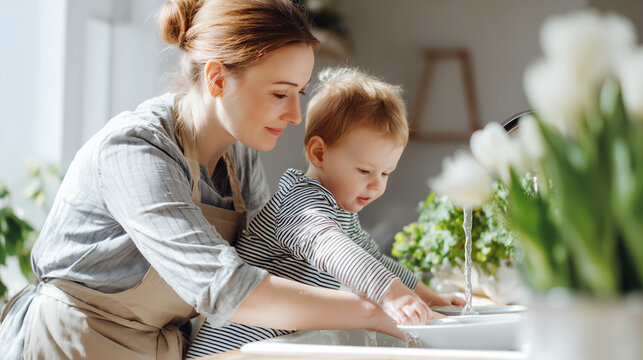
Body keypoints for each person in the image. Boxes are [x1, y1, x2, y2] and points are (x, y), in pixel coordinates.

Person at [0, 2, 406, 359]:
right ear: (217, 79)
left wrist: (392, 290)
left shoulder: (239, 156)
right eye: (280, 94)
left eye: (299, 93)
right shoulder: (135, 150)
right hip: (73, 345)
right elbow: (225, 286)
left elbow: (267, 263)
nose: (296, 116)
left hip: (159, 348)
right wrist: (372, 309)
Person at [187, 68, 465, 357]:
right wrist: (391, 294)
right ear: (319, 154)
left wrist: (430, 298)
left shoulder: (338, 209)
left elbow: (374, 258)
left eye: (386, 173)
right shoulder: (299, 203)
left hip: (266, 349)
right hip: (225, 353)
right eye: (364, 170)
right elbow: (331, 247)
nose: (376, 184)